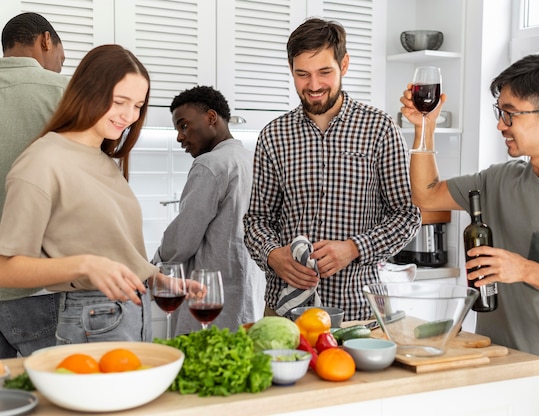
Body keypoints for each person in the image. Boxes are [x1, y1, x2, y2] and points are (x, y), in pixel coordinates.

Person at [402, 53, 539, 416]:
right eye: (500, 112)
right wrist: (423, 127)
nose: (501, 125)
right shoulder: (500, 180)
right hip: (494, 380)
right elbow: (426, 194)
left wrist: (524, 270)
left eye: (511, 113)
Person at [243, 18, 420, 321]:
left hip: (359, 311)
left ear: (344, 64)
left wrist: (354, 248)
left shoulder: (379, 129)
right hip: (286, 314)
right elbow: (257, 221)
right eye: (302, 74)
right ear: (291, 70)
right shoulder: (274, 135)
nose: (313, 86)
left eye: (324, 72)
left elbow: (407, 216)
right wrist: (273, 255)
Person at [0, 44, 157, 344]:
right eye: (120, 101)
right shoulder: (43, 160)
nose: (129, 116)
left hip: (132, 311)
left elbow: (113, 246)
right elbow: (4, 268)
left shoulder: (102, 156)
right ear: (88, 91)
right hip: (94, 317)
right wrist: (84, 264)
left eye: (138, 105)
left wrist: (156, 279)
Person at [152, 85, 265, 334]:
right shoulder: (251, 159)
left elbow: (182, 240)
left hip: (209, 299)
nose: (180, 137)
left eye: (183, 125)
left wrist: (154, 266)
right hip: (249, 298)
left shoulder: (210, 164)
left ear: (211, 118)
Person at [0, 12, 67, 357]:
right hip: (36, 285)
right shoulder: (65, 93)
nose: (58, 67)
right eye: (60, 58)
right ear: (45, 41)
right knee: (53, 400)